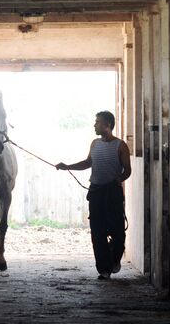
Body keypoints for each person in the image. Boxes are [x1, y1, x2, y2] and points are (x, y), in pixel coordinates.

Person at [55, 111, 132, 280]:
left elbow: (127, 170)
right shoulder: (95, 144)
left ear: (107, 125)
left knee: (118, 232)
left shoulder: (120, 146)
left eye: (98, 122)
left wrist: (117, 179)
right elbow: (88, 162)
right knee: (97, 232)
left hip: (112, 193)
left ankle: (115, 258)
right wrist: (67, 166)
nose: (94, 125)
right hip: (96, 192)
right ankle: (104, 269)